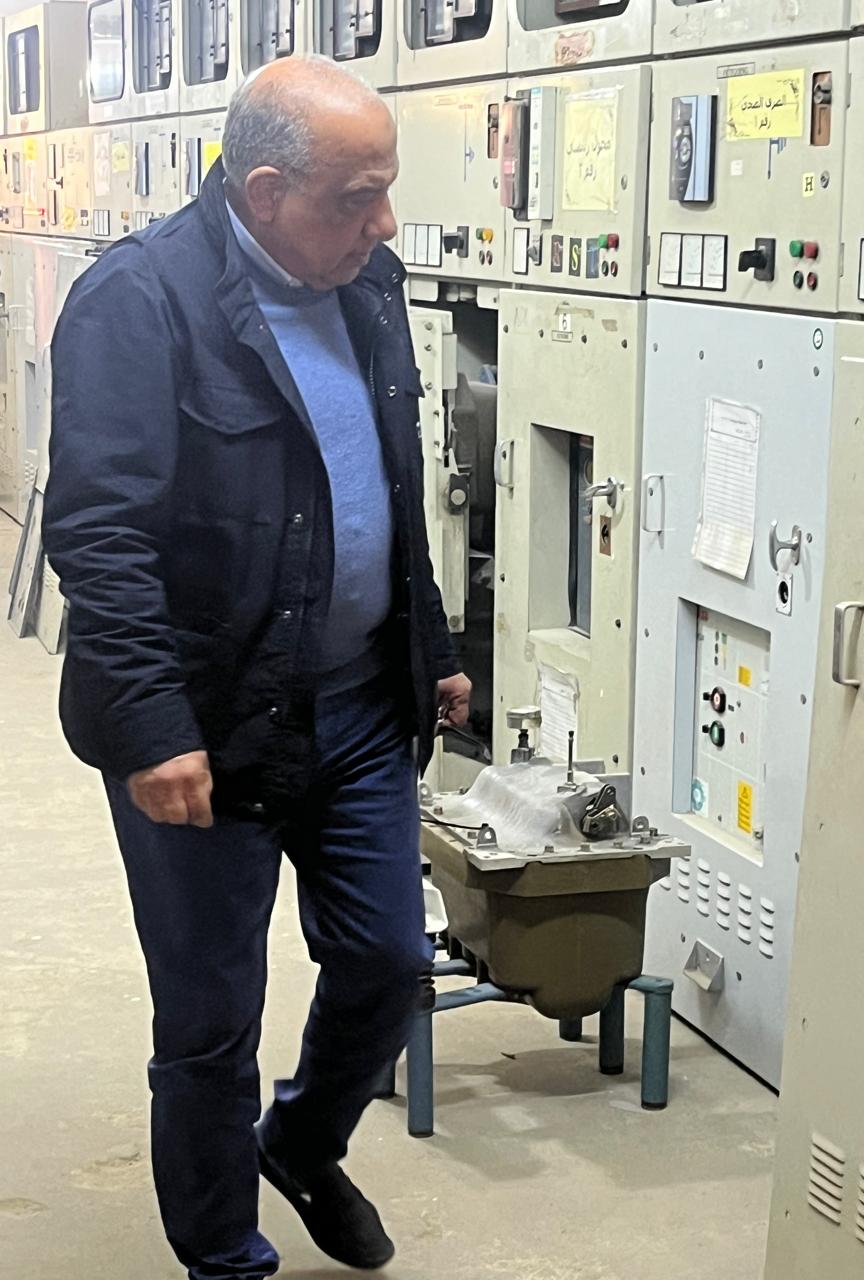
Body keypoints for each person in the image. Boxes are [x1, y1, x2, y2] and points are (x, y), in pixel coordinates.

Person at [42, 55, 471, 1280]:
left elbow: (388, 480)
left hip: (356, 703)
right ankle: (226, 1255)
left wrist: (431, 645)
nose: (385, 223)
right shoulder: (139, 301)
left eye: (387, 190)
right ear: (267, 191)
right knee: (210, 1017)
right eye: (359, 196)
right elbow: (100, 534)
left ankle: (304, 1142)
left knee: (389, 960)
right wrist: (151, 726)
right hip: (211, 719)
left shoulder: (366, 282)